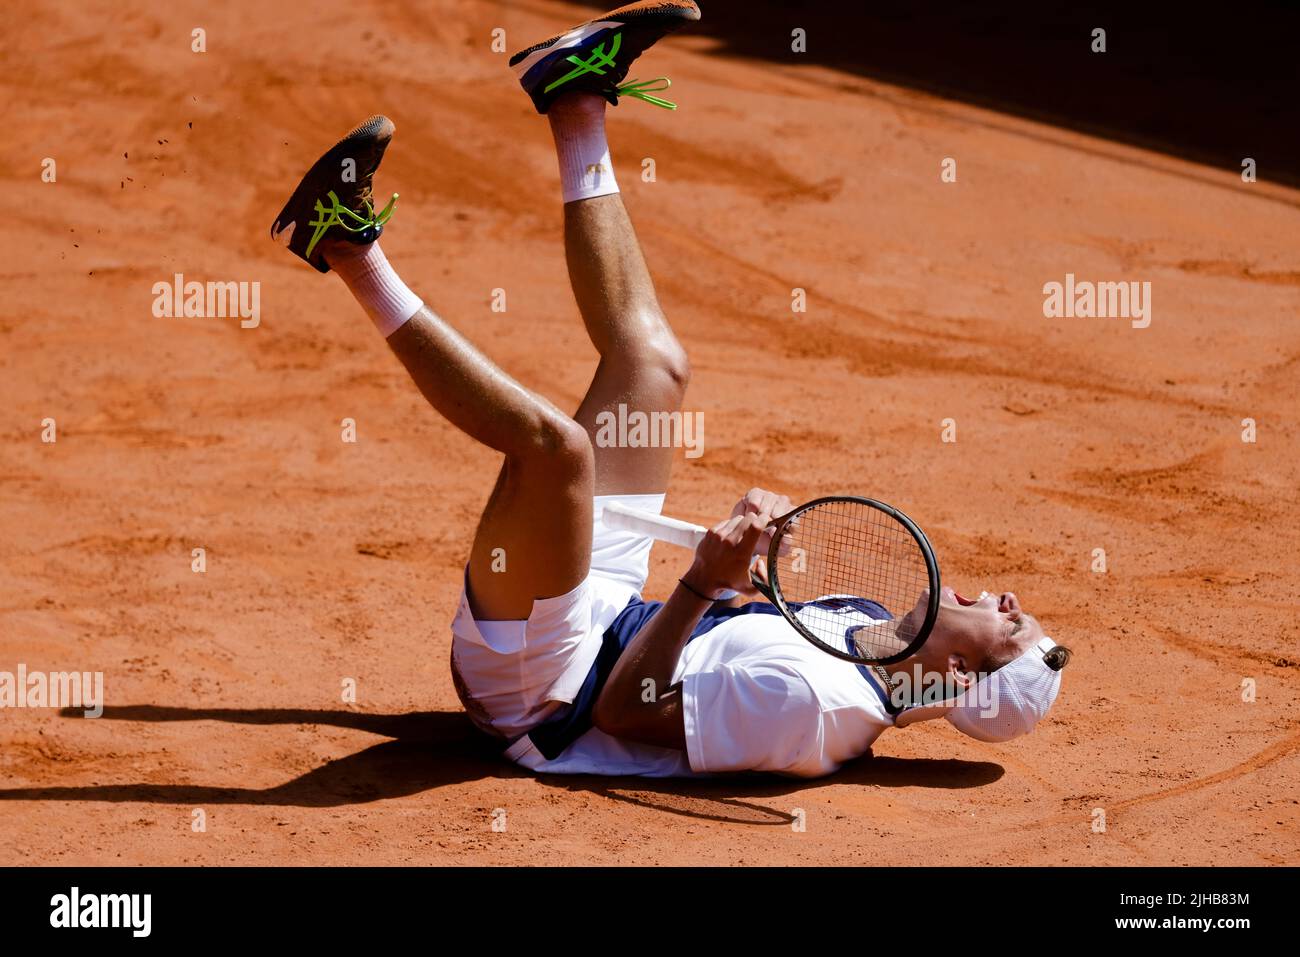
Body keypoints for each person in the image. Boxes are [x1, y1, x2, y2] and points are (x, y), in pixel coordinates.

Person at [270, 1, 1070, 778]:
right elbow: (720, 641)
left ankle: (342, 244)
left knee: (560, 450)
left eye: (1011, 624)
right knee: (655, 361)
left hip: (540, 691)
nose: (1007, 597)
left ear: (960, 674)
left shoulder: (811, 709)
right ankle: (573, 93)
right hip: (613, 611)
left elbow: (626, 711)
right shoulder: (870, 629)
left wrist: (699, 581)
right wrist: (745, 570)